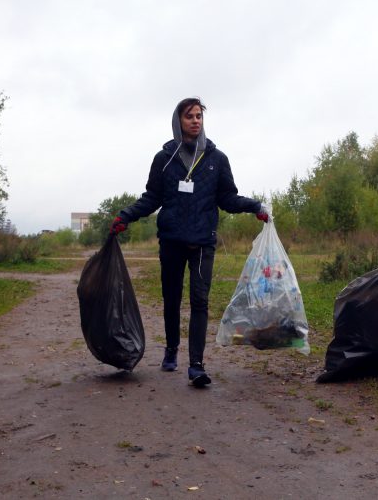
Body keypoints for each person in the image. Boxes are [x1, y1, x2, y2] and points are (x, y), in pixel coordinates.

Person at [111, 98, 268, 387]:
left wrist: (254, 206)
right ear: (178, 121)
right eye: (189, 116)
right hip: (171, 241)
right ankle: (171, 350)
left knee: (200, 301)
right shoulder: (164, 159)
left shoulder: (216, 159)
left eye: (199, 116)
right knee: (171, 299)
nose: (196, 121)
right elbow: (152, 198)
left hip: (202, 242)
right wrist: (126, 216)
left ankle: (196, 365)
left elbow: (227, 198)